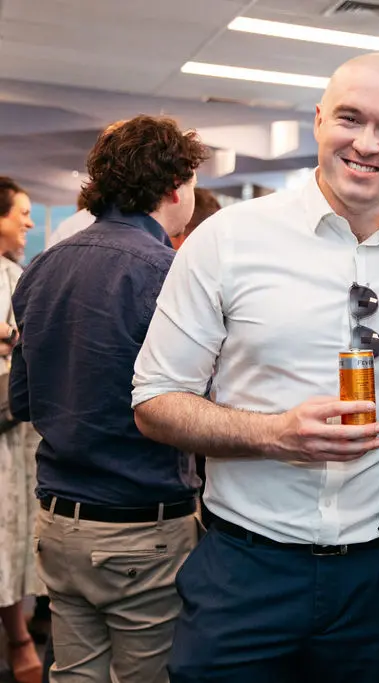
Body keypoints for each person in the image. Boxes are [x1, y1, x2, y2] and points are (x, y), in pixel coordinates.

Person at [131, 53, 379, 683]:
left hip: (377, 581)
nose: (367, 144)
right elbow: (154, 400)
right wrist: (272, 434)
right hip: (244, 569)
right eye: (349, 118)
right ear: (318, 121)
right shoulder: (228, 240)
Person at [10, 116, 208, 683]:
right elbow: (190, 406)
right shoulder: (167, 274)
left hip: (58, 523)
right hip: (139, 527)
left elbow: (24, 401)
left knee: (74, 675)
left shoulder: (41, 268)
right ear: (174, 184)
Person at [0, 177, 43, 683]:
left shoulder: (19, 275)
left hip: (16, 425)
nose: (30, 222)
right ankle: (19, 639)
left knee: (15, 531)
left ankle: (22, 628)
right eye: (20, 213)